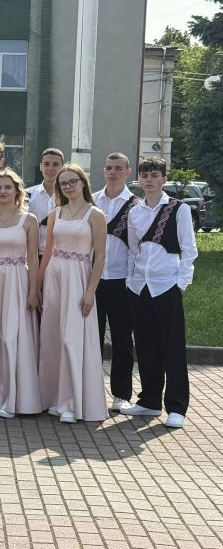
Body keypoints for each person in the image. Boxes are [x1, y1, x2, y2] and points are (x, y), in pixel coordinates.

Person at [122, 157, 198, 429]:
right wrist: (131, 280)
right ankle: (150, 401)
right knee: (145, 345)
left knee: (173, 347)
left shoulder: (178, 209)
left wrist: (181, 283)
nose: (149, 180)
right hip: (139, 286)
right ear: (139, 179)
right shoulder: (135, 212)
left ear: (164, 179)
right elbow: (133, 250)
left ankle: (176, 407)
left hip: (167, 284)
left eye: (154, 175)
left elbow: (189, 249)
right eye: (145, 176)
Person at [38, 164, 108, 423]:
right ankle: (54, 398)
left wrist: (90, 291)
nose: (68, 187)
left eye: (72, 181)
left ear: (82, 182)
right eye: (63, 183)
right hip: (55, 276)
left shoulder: (95, 214)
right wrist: (36, 285)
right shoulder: (55, 213)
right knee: (53, 337)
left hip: (79, 277)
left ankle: (71, 402)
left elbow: (100, 257)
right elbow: (48, 252)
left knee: (72, 338)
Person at [0, 169, 41, 418]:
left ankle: (13, 398)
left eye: (7, 187)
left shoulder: (29, 220)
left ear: (17, 191)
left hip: (17, 280)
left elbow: (33, 258)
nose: (3, 191)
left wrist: (33, 290)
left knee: (12, 336)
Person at [92, 152, 139, 411]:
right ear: (103, 170)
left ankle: (121, 394)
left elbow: (137, 247)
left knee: (122, 339)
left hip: (122, 280)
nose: (113, 172)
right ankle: (91, 393)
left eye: (118, 168)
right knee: (92, 338)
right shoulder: (91, 201)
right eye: (109, 168)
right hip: (94, 280)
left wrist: (133, 280)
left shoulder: (136, 205)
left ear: (128, 172)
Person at [26, 148, 65, 260]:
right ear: (40, 166)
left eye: (55, 164)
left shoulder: (69, 197)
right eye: (46, 164)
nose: (50, 168)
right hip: (32, 255)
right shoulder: (27, 195)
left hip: (60, 256)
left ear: (62, 167)